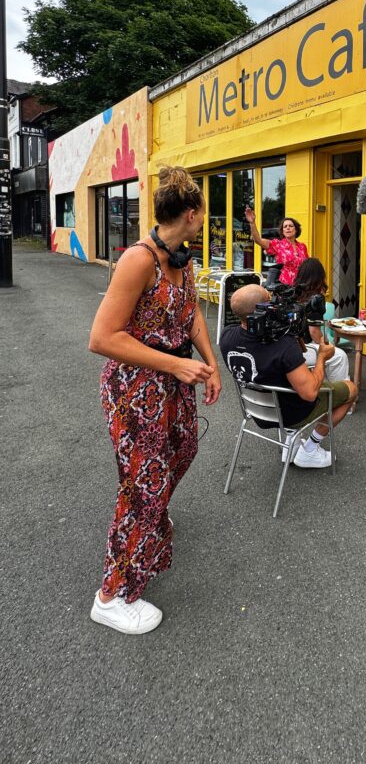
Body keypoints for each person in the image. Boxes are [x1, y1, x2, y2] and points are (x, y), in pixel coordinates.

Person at [88, 166, 222, 635]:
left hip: (172, 384)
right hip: (134, 389)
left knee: (183, 451)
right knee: (143, 485)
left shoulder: (182, 260)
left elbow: (191, 314)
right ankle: (112, 596)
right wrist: (175, 365)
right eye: (203, 213)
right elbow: (102, 338)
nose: (203, 219)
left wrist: (210, 363)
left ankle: (151, 518)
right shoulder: (138, 259)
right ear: (191, 214)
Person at [219, 284, 357, 468]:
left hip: (257, 411)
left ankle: (291, 442)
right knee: (351, 389)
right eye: (271, 301)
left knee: (293, 380)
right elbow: (309, 393)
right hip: (291, 413)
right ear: (263, 309)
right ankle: (310, 449)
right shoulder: (283, 345)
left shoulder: (227, 336)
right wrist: (322, 357)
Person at [293, 257, 350, 383]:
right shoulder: (316, 299)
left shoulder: (292, 294)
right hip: (305, 348)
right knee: (340, 356)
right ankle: (341, 390)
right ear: (319, 277)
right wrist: (329, 346)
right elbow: (314, 332)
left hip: (290, 346)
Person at [245, 209, 308, 286]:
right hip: (285, 286)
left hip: (301, 285)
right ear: (283, 231)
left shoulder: (302, 246)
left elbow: (307, 266)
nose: (288, 228)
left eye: (291, 226)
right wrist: (252, 223)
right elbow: (258, 240)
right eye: (285, 227)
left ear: (296, 230)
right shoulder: (278, 244)